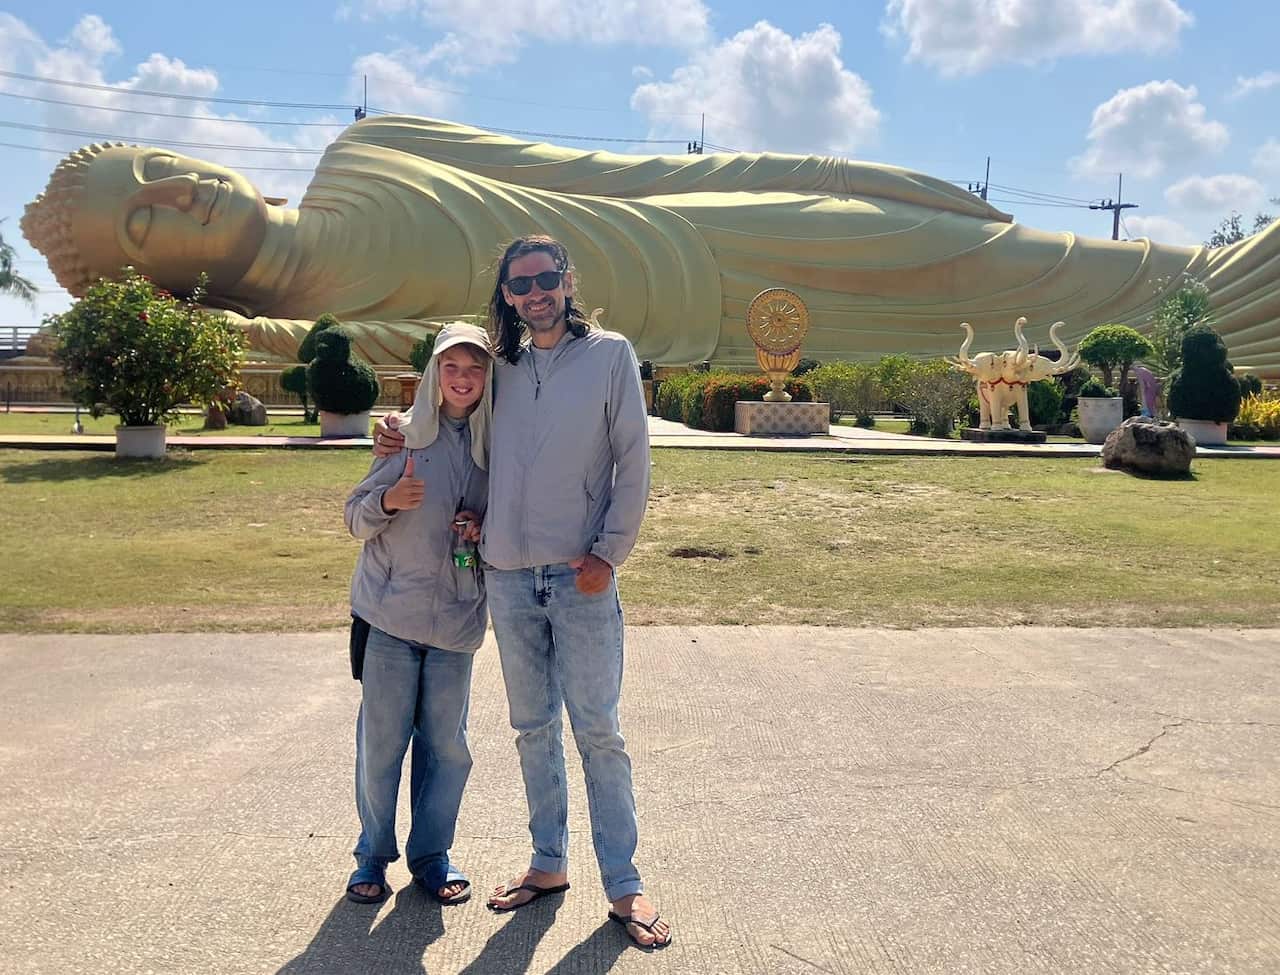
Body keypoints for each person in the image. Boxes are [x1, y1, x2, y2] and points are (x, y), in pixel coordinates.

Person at [21, 119, 1280, 378]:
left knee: (999, 260)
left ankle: (1216, 300)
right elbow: (439, 354)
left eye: (160, 170)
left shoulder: (369, 152)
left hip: (708, 228)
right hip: (683, 326)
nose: (179, 194)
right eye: (145, 222)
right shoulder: (291, 335)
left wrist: (824, 169)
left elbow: (615, 173)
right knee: (996, 338)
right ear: (157, 278)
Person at [374, 234, 670, 948]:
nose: (535, 293)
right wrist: (393, 432)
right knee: (531, 726)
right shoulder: (501, 367)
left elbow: (634, 459)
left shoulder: (610, 356)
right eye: (520, 284)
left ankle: (624, 884)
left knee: (598, 729)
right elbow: (448, 412)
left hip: (580, 574)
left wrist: (609, 553)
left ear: (567, 281)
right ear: (506, 295)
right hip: (506, 574)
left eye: (545, 278)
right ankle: (548, 862)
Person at [343, 321, 493, 906]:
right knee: (382, 743)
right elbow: (355, 516)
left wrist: (481, 530)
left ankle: (432, 857)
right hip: (391, 617)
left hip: (456, 621)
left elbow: (507, 524)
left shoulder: (494, 446)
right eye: (451, 367)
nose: (463, 379)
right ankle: (372, 856)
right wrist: (388, 500)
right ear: (434, 374)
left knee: (447, 747)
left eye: (475, 369)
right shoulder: (403, 436)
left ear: (488, 379)